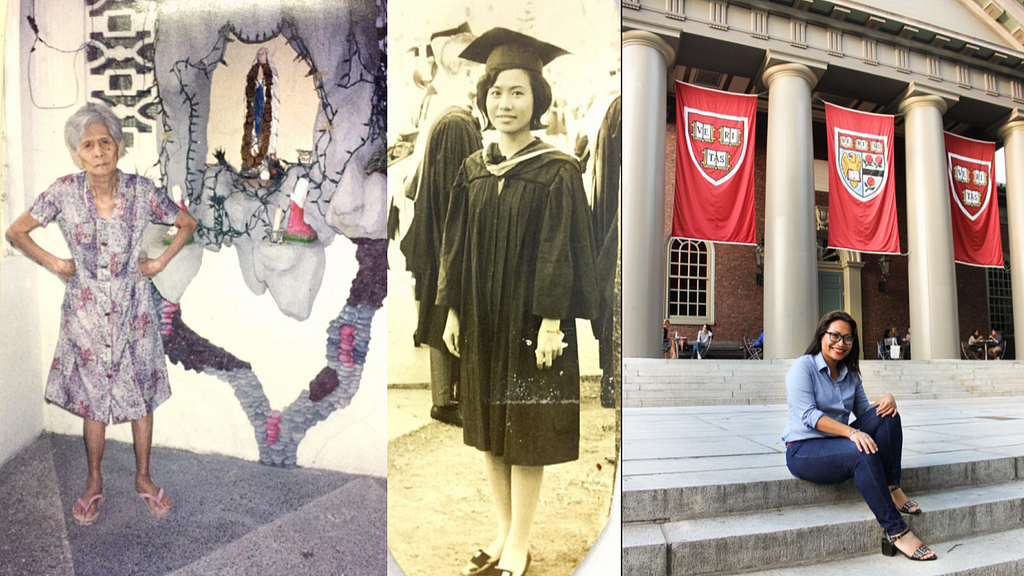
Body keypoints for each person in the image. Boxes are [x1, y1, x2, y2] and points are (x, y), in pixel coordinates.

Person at [437, 28, 598, 576]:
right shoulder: (472, 171)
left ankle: (520, 544)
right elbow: (454, 247)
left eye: (518, 93)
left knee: (524, 429)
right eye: (497, 92)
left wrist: (554, 320)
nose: (505, 104)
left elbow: (563, 250)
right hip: (482, 317)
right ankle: (501, 531)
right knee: (488, 422)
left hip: (534, 326)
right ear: (484, 98)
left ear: (538, 101)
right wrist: (453, 309)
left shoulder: (557, 170)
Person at [5, 103, 197, 525]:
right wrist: (56, 263)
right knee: (94, 400)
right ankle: (94, 481)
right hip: (86, 310)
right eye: (88, 145)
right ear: (77, 153)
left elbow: (187, 223)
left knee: (140, 395)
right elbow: (16, 231)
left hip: (135, 310)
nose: (97, 152)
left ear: (119, 147)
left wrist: (158, 263)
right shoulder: (62, 191)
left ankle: (143, 479)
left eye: (104, 142)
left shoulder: (142, 192)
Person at [781, 311, 936, 561]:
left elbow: (866, 413)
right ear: (822, 336)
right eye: (835, 335)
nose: (840, 343)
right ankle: (897, 531)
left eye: (848, 338)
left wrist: (887, 399)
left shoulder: (850, 373)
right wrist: (852, 433)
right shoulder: (803, 367)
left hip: (838, 443)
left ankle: (891, 485)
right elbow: (808, 415)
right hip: (803, 449)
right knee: (861, 451)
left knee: (888, 415)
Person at [400, 24, 482, 427]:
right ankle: (446, 400)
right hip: (447, 239)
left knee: (440, 307)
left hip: (440, 238)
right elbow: (456, 198)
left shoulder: (452, 116)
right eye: (473, 71)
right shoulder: (456, 123)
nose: (480, 79)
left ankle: (448, 397)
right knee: (444, 309)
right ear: (460, 72)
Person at [241, 47, 279, 178]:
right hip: (256, 104)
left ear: (267, 55)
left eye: (263, 54)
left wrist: (264, 83)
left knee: (266, 127)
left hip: (266, 104)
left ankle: (265, 159)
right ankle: (253, 159)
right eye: (258, 54)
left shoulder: (271, 72)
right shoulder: (253, 71)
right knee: (255, 126)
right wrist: (257, 83)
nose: (260, 56)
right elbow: (248, 92)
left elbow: (274, 90)